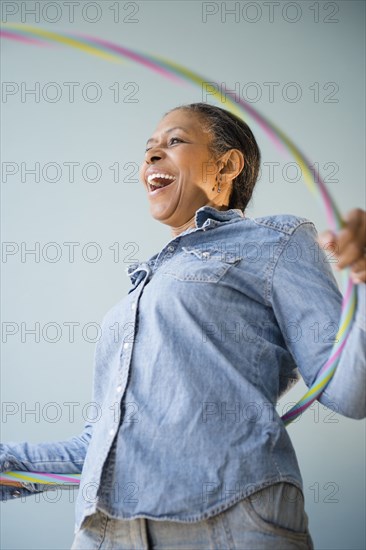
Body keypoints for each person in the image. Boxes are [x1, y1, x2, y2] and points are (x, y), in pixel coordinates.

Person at [1, 103, 365, 550]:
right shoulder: (136, 293)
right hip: (106, 534)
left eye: (173, 142)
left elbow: (351, 389)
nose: (152, 156)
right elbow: (99, 447)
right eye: (148, 149)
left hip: (229, 520)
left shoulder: (278, 240)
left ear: (227, 165)